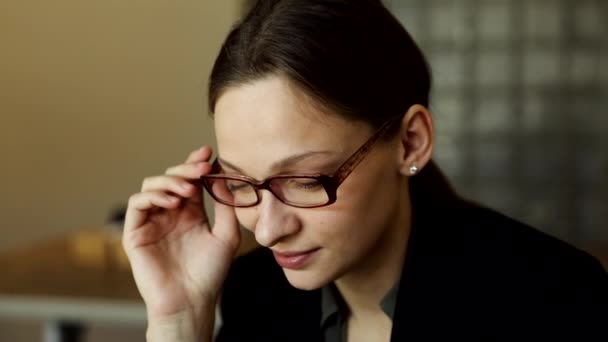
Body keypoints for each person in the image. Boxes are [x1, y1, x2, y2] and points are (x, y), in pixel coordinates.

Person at [122, 0, 607, 341]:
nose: (268, 231)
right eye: (240, 182)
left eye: (305, 181)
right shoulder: (258, 296)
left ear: (410, 141)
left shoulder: (550, 299)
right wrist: (179, 323)